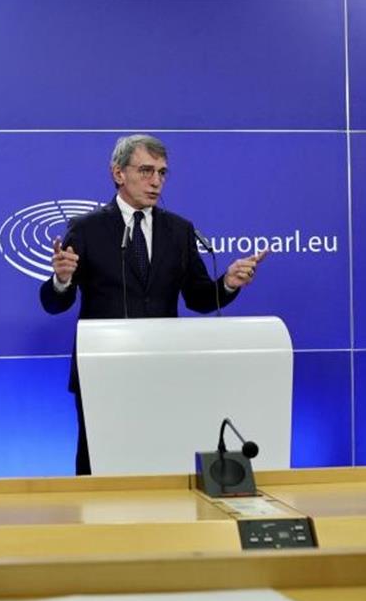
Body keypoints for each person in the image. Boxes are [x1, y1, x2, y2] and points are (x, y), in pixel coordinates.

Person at [40, 134, 266, 475]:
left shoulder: (179, 230)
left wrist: (228, 284)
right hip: (103, 369)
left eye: (162, 172)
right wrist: (62, 279)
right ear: (119, 173)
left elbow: (200, 298)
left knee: (161, 464)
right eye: (146, 171)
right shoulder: (87, 229)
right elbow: (55, 304)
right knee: (99, 466)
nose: (156, 181)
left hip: (163, 369)